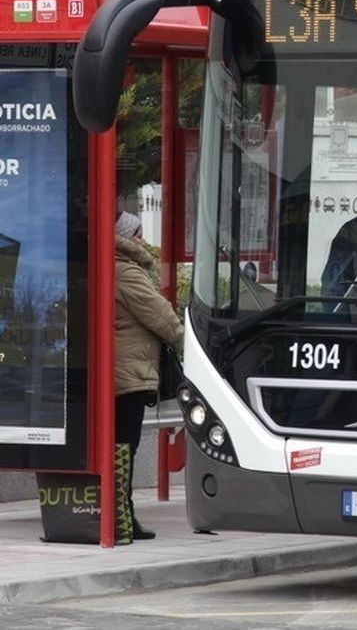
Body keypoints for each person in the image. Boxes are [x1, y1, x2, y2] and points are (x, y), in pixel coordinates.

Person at [114, 212, 185, 540]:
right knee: (125, 448)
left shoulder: (111, 267)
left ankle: (119, 512)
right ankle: (121, 515)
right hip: (128, 374)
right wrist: (190, 346)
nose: (143, 241)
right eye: (138, 234)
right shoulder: (126, 271)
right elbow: (162, 316)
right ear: (126, 238)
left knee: (121, 447)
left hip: (118, 372)